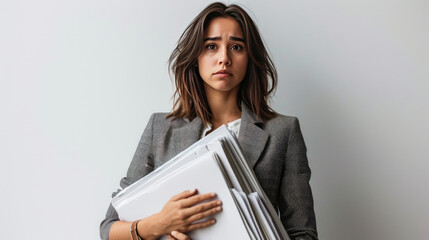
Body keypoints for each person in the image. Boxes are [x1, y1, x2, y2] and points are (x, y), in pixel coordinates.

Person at [100, 2, 318, 240]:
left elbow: (303, 234)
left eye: (236, 47)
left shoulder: (283, 132)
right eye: (211, 46)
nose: (224, 58)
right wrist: (160, 224)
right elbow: (109, 227)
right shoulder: (160, 128)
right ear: (196, 57)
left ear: (249, 58)